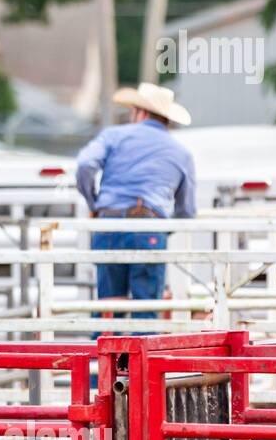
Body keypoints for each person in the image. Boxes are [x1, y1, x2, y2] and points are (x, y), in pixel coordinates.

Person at [75, 83, 197, 322]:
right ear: (167, 119)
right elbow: (186, 211)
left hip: (108, 223)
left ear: (139, 113)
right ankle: (142, 358)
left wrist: (94, 205)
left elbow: (85, 164)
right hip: (150, 225)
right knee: (146, 310)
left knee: (108, 308)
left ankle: (110, 359)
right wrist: (164, 228)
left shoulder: (114, 135)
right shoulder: (181, 153)